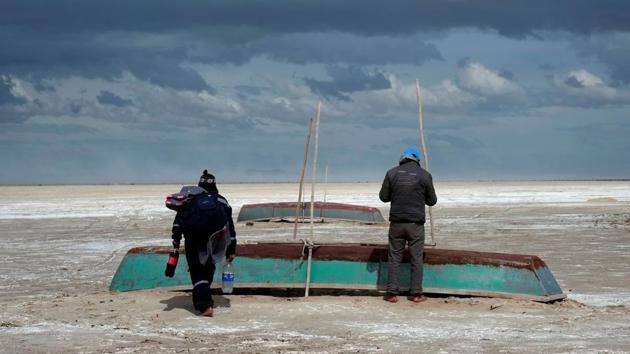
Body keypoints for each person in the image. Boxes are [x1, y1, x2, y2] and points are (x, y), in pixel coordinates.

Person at [171, 170, 237, 316]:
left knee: (197, 270)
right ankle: (203, 297)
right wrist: (232, 246)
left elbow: (179, 221)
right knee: (208, 268)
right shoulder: (221, 201)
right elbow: (229, 225)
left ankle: (204, 305)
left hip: (193, 239)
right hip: (216, 241)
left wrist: (176, 239)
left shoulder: (190, 198)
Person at [379, 148, 437, 303]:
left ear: (402, 159)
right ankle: (416, 294)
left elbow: (383, 197)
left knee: (394, 258)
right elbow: (432, 201)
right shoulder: (425, 175)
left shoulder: (391, 173)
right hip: (415, 224)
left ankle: (391, 293)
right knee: (416, 258)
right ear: (417, 160)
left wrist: (397, 193)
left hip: (397, 223)